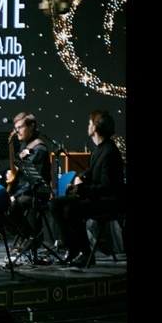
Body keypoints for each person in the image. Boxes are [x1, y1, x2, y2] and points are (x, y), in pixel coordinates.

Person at [48, 110, 126, 268]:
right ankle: (72, 249)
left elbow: (107, 187)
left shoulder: (109, 152)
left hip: (109, 201)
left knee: (71, 209)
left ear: (95, 127)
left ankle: (85, 253)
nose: (88, 126)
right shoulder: (98, 149)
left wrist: (81, 191)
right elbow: (90, 172)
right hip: (96, 197)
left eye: (90, 123)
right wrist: (79, 180)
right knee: (54, 203)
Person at [3, 112, 53, 262]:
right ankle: (25, 236)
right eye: (15, 128)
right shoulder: (24, 145)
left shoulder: (38, 149)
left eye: (20, 127)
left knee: (15, 203)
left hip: (36, 193)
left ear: (31, 126)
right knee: (2, 202)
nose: (17, 131)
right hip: (25, 191)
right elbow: (23, 175)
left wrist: (15, 195)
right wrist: (11, 173)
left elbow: (32, 181)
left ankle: (27, 238)